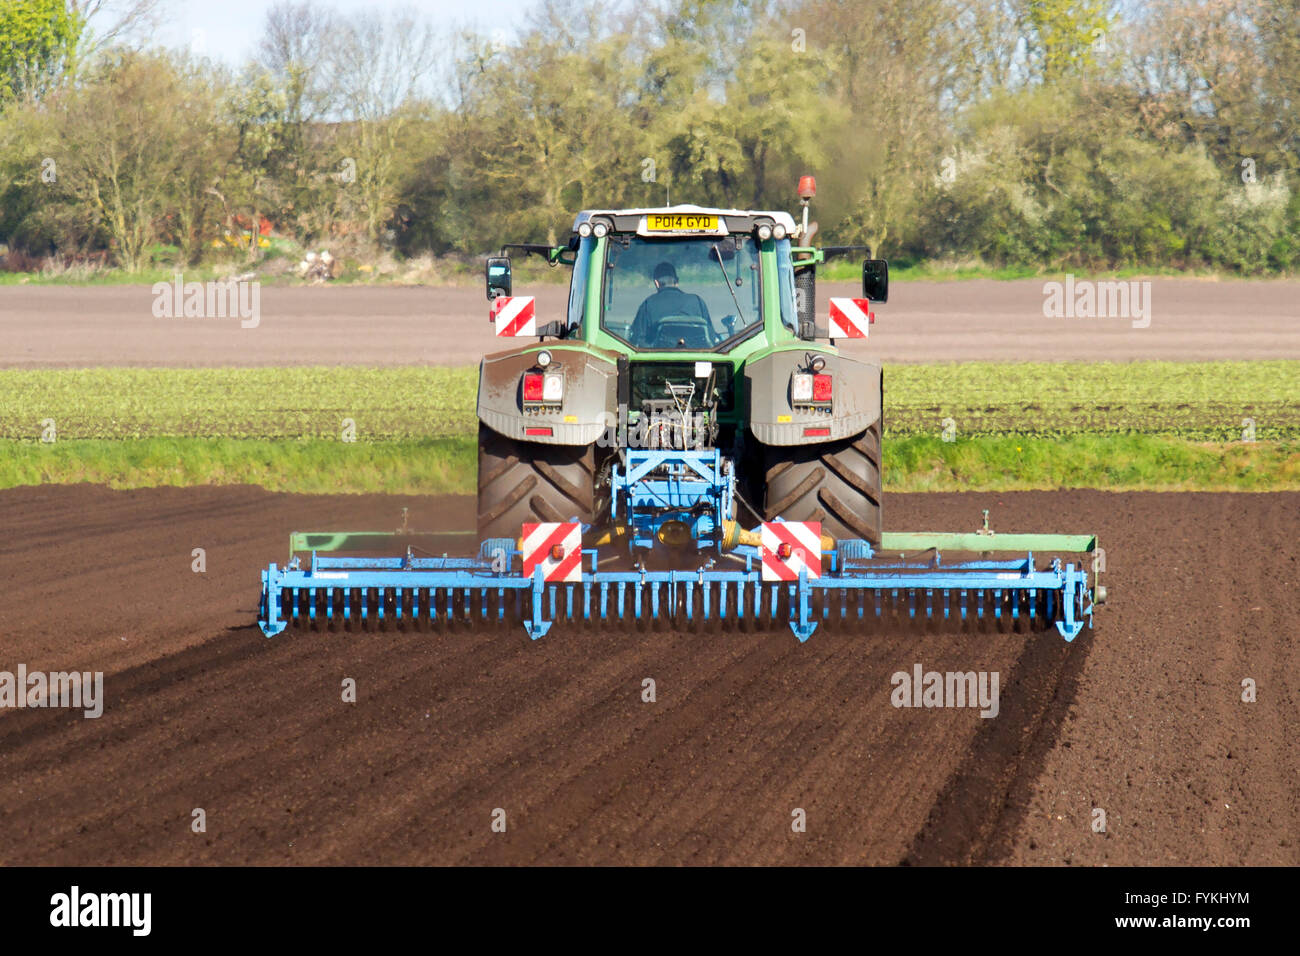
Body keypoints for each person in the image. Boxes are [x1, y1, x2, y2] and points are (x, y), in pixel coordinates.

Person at [630, 261, 712, 347]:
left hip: (659, 359)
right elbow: (711, 338)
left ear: (656, 283)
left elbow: (637, 341)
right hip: (696, 357)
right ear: (677, 282)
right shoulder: (697, 301)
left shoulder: (648, 304)